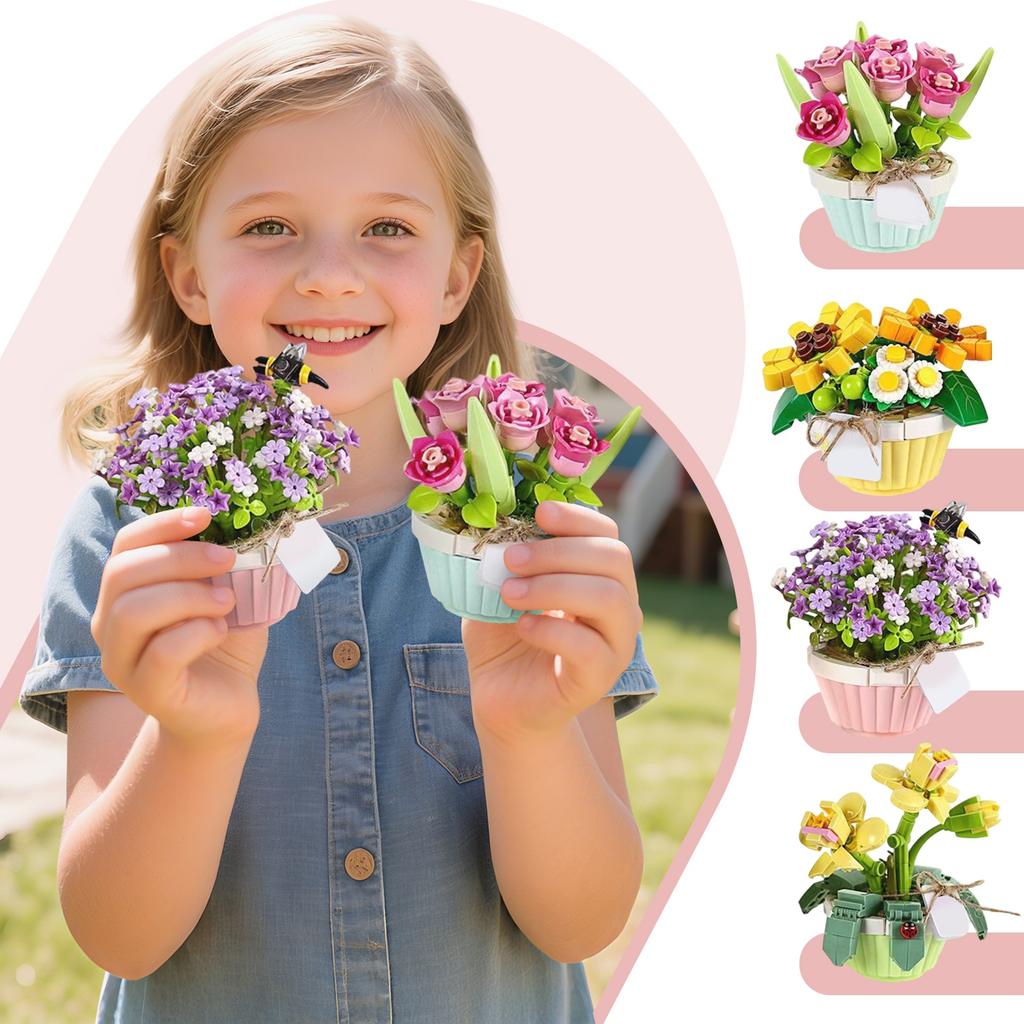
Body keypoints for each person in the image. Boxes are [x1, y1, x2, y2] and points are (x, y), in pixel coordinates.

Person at [20, 15, 658, 1023]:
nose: (327, 272)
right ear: (188, 272)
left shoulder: (533, 527)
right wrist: (195, 733)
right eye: (269, 226)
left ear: (458, 276)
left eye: (389, 229)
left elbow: (579, 924)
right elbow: (117, 933)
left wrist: (528, 729)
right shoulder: (130, 532)